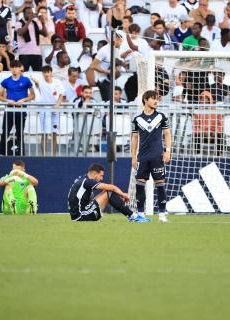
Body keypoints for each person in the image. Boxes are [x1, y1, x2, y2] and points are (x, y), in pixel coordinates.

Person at [131, 90, 172, 223]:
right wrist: (133, 156)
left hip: (157, 156)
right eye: (154, 99)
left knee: (160, 184)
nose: (156, 101)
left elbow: (167, 134)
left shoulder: (161, 117)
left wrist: (168, 151)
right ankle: (141, 214)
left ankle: (161, 214)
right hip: (142, 157)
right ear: (146, 100)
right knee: (139, 185)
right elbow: (134, 138)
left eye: (157, 99)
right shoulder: (137, 119)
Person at [68, 163, 147, 222]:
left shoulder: (82, 178)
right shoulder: (87, 181)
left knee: (105, 192)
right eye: (101, 175)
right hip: (82, 216)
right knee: (109, 192)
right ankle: (133, 216)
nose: (102, 178)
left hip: (77, 215)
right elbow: (111, 187)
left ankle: (132, 215)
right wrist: (123, 194)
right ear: (94, 174)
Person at [0, 60, 35, 155]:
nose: (14, 69)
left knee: (20, 132)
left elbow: (32, 95)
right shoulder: (6, 81)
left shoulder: (26, 80)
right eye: (12, 67)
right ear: (10, 68)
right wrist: (8, 100)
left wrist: (23, 100)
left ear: (20, 68)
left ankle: (21, 153)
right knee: (5, 131)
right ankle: (2, 153)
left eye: (16, 67)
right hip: (9, 108)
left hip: (21, 109)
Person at [30, 65, 65, 156]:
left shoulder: (57, 82)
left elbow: (61, 95)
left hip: (55, 110)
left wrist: (57, 105)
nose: (46, 74)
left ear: (51, 72)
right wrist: (31, 77)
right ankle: (44, 155)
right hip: (44, 110)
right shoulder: (40, 83)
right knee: (44, 133)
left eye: (48, 72)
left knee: (54, 133)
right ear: (42, 73)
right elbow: (35, 81)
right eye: (44, 72)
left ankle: (53, 155)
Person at [90, 30, 123, 101]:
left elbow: (117, 62)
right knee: (108, 102)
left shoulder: (116, 49)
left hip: (110, 80)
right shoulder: (103, 50)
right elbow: (93, 66)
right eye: (120, 41)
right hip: (102, 80)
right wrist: (108, 71)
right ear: (116, 39)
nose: (121, 43)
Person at [16, 6, 47, 71]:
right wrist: (29, 21)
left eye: (32, 13)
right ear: (24, 14)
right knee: (23, 73)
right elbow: (20, 32)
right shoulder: (19, 22)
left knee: (38, 73)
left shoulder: (35, 23)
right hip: (24, 54)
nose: (31, 15)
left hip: (36, 53)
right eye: (28, 13)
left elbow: (45, 34)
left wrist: (43, 23)